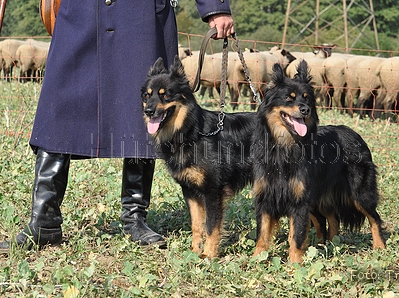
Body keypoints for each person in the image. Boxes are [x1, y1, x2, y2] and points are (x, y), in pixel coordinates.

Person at [0, 0, 234, 251]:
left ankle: (135, 217)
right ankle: (44, 222)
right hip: (79, 13)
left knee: (144, 117)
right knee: (58, 112)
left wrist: (215, 6)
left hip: (140, 15)